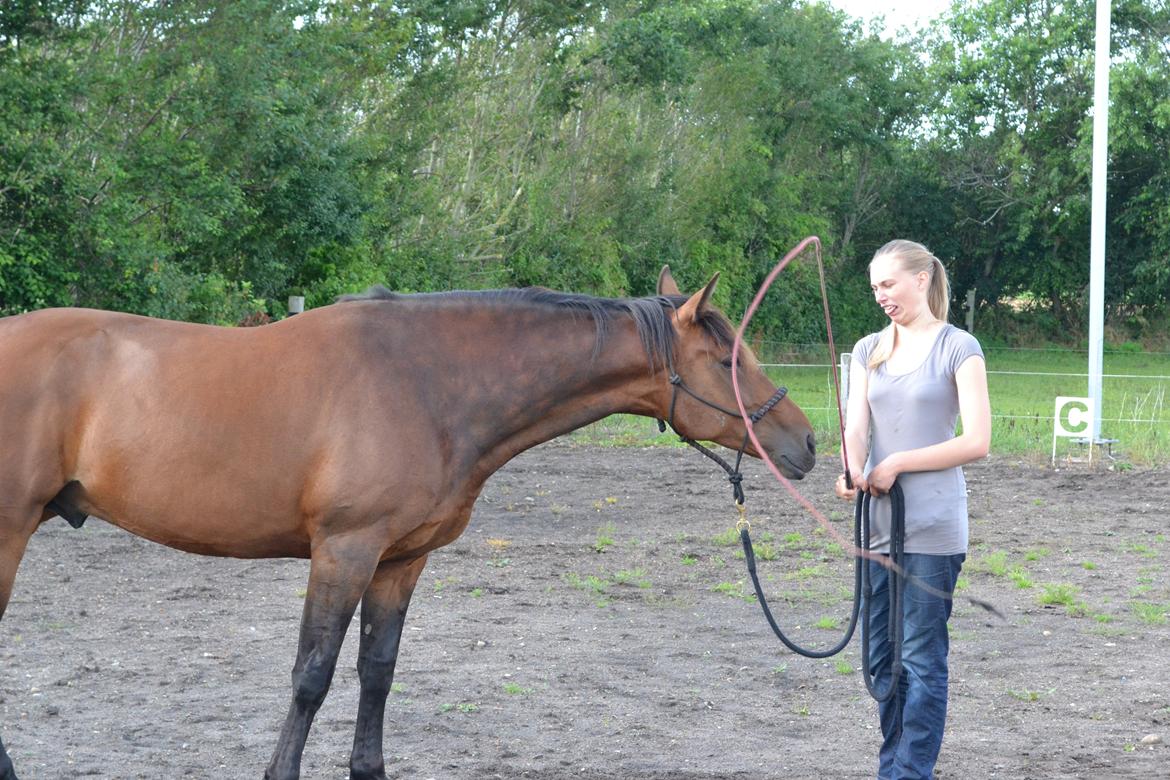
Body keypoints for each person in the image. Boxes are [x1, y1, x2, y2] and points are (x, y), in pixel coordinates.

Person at [834, 239, 991, 780]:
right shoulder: (867, 349)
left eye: (889, 284)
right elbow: (856, 426)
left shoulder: (959, 346)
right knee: (882, 662)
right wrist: (855, 466)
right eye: (875, 287)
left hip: (933, 528)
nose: (881, 296)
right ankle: (895, 766)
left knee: (921, 660)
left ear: (921, 280)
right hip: (877, 526)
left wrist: (898, 461)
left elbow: (978, 440)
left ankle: (906, 773)